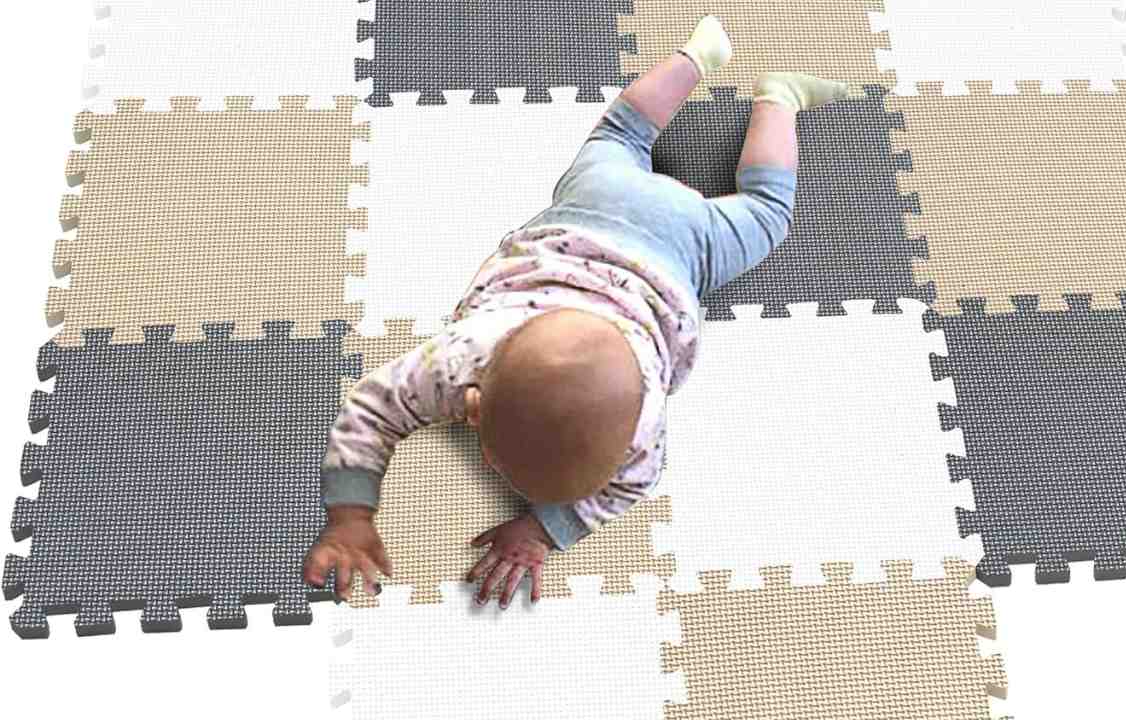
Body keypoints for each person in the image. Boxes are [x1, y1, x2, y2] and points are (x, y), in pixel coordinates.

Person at [303, 15, 850, 609]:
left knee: (625, 139)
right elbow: (372, 406)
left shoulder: (630, 431)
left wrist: (540, 530)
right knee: (667, 159)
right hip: (609, 217)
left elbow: (374, 405)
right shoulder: (465, 358)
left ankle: (721, 68)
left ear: (474, 406)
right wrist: (349, 512)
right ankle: (770, 94)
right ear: (471, 403)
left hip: (662, 238)